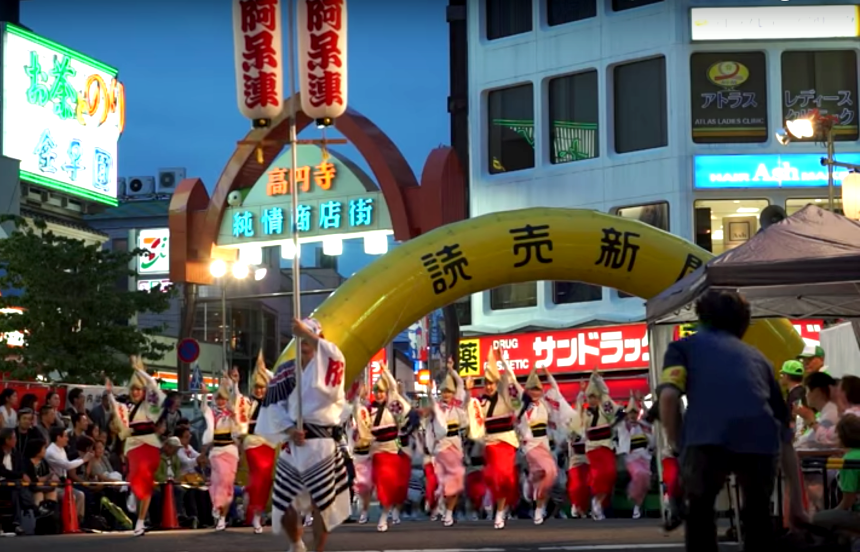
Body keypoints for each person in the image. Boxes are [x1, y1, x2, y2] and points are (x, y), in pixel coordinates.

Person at [657, 289, 807, 552]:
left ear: (701, 317)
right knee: (758, 516)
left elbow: (669, 397)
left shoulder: (683, 349)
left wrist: (679, 444)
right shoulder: (760, 359)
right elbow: (783, 431)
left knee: (701, 513)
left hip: (706, 438)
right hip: (761, 442)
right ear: (743, 323)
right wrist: (796, 503)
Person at [255, 318, 351, 552]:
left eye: (309, 337)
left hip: (322, 443)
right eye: (300, 339)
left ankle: (317, 549)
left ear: (319, 339)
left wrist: (307, 333)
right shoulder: (287, 370)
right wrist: (288, 429)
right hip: (294, 443)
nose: (304, 343)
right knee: (284, 500)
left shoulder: (331, 363)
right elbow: (273, 406)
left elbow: (334, 359)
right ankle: (296, 543)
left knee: (322, 503)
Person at [107, 356, 166, 536]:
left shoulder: (150, 405)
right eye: (133, 389)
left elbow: (153, 385)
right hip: (133, 445)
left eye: (138, 389)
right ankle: (134, 494)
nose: (135, 392)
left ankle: (140, 522)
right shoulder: (127, 408)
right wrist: (109, 392)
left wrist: (140, 371)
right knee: (136, 475)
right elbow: (116, 411)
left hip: (149, 444)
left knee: (145, 480)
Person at [509, 367, 562, 525]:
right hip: (529, 446)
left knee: (547, 475)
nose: (535, 392)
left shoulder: (545, 404)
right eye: (532, 389)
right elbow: (513, 380)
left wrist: (547, 374)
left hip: (543, 444)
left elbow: (556, 391)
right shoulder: (522, 406)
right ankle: (538, 504)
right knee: (549, 470)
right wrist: (503, 362)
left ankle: (536, 497)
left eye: (538, 389)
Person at [365, 361, 412, 532]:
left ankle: (385, 516)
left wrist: (386, 372)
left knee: (393, 486)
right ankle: (385, 512)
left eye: (381, 392)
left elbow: (393, 388)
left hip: (392, 452)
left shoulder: (394, 408)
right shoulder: (368, 411)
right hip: (377, 454)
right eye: (376, 392)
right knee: (382, 486)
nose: (379, 395)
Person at [477, 346, 520, 530]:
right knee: (496, 477)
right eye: (486, 383)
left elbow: (511, 380)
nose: (489, 386)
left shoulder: (505, 397)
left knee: (506, 479)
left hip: (507, 443)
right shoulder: (480, 402)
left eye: (492, 382)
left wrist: (502, 361)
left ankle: (500, 512)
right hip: (491, 444)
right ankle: (495, 505)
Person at [241, 350, 277, 534]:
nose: (259, 390)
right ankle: (251, 497)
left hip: (269, 443)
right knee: (259, 473)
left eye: (262, 387)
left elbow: (278, 383)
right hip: (253, 443)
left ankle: (257, 513)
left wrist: (265, 370)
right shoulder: (248, 403)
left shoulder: (273, 402)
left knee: (265, 479)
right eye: (257, 387)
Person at [428, 359, 467, 527]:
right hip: (442, 447)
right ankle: (443, 501)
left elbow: (460, 385)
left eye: (449, 392)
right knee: (451, 477)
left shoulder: (457, 405)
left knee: (456, 479)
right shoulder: (437, 407)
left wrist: (452, 370)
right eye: (444, 392)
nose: (447, 395)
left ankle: (449, 512)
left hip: (456, 445)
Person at [581, 369, 624, 521]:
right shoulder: (584, 412)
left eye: (594, 397)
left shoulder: (603, 406)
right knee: (599, 476)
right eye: (590, 397)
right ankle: (597, 504)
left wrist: (596, 379)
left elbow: (607, 394)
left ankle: (599, 502)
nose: (592, 400)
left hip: (605, 445)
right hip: (592, 448)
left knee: (610, 473)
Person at [202, 377, 242, 532]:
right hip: (216, 452)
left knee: (227, 484)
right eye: (218, 398)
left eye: (223, 398)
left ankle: (222, 518)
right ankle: (217, 505)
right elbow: (204, 408)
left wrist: (235, 384)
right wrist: (204, 394)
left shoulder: (231, 413)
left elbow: (238, 402)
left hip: (231, 451)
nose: (220, 401)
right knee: (220, 480)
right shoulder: (212, 413)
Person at [813, 414, 860, 535]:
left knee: (817, 519)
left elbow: (848, 501)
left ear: (841, 437)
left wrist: (832, 511)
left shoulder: (848, 460)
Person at [616, 393, 652, 519]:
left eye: (634, 413)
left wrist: (642, 404)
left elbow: (650, 419)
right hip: (632, 458)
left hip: (645, 457)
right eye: (630, 413)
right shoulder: (624, 426)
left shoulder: (643, 425)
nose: (632, 415)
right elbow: (616, 419)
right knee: (639, 473)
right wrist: (621, 409)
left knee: (645, 478)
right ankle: (632, 494)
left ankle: (637, 505)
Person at [44, 426, 90, 521]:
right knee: (71, 496)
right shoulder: (51, 451)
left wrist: (82, 458)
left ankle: (77, 521)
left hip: (63, 484)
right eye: (65, 436)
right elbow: (66, 465)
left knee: (80, 495)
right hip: (54, 486)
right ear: (58, 437)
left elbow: (67, 464)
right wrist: (84, 459)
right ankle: (69, 522)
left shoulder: (61, 449)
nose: (67, 439)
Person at [796, 371, 840, 450]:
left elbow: (813, 442)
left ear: (817, 391)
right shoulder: (825, 412)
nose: (806, 395)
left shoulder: (830, 414)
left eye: (807, 390)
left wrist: (810, 420)